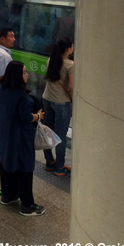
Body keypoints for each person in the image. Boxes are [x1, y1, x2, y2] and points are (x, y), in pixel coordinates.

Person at [0, 61, 46, 216]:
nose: (27, 75)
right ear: (18, 76)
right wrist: (38, 116)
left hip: (6, 134)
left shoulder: (2, 90)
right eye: (24, 72)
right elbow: (26, 118)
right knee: (24, 168)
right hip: (21, 138)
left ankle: (8, 195)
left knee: (7, 163)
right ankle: (27, 205)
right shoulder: (23, 97)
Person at [42, 37, 74, 176]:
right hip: (61, 103)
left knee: (47, 131)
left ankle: (50, 162)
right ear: (68, 49)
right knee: (60, 135)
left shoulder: (51, 60)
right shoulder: (70, 65)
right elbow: (72, 87)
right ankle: (60, 167)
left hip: (47, 99)